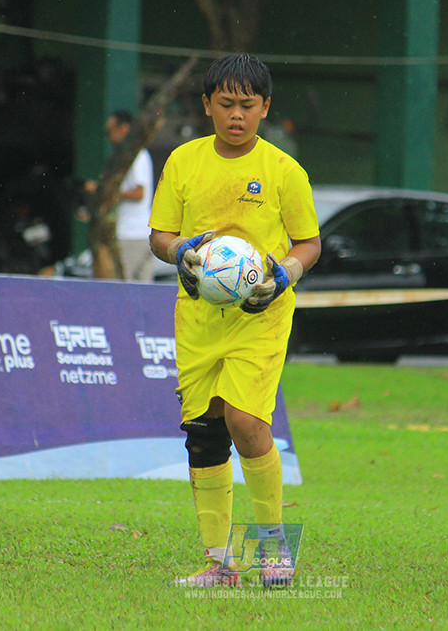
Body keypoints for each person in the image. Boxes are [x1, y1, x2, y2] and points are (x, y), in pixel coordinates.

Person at [148, 53, 321, 588]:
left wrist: (284, 276)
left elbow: (309, 243)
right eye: (226, 104)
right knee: (204, 433)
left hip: (260, 315)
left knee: (246, 423)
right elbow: (159, 235)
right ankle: (221, 565)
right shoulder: (183, 161)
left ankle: (274, 549)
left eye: (247, 104)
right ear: (207, 105)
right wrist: (179, 252)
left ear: (265, 107)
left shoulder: (284, 171)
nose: (236, 115)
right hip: (199, 316)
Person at [82, 110, 156, 281]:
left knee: (119, 284)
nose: (108, 136)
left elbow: (139, 193)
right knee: (142, 288)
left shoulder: (136, 156)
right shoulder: (125, 157)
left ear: (124, 128)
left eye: (110, 131)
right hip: (141, 233)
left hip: (131, 234)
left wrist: (105, 191)